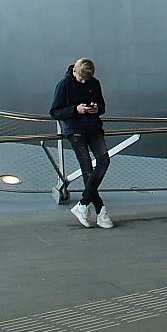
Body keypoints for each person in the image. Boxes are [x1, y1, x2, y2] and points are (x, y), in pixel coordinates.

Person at [50, 58, 114, 229]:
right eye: (82, 79)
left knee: (104, 160)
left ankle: (83, 204)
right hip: (75, 129)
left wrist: (96, 109)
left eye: (88, 79)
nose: (85, 82)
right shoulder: (63, 85)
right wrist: (75, 110)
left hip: (93, 128)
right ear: (74, 72)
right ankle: (101, 211)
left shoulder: (94, 83)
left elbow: (102, 106)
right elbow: (55, 111)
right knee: (87, 169)